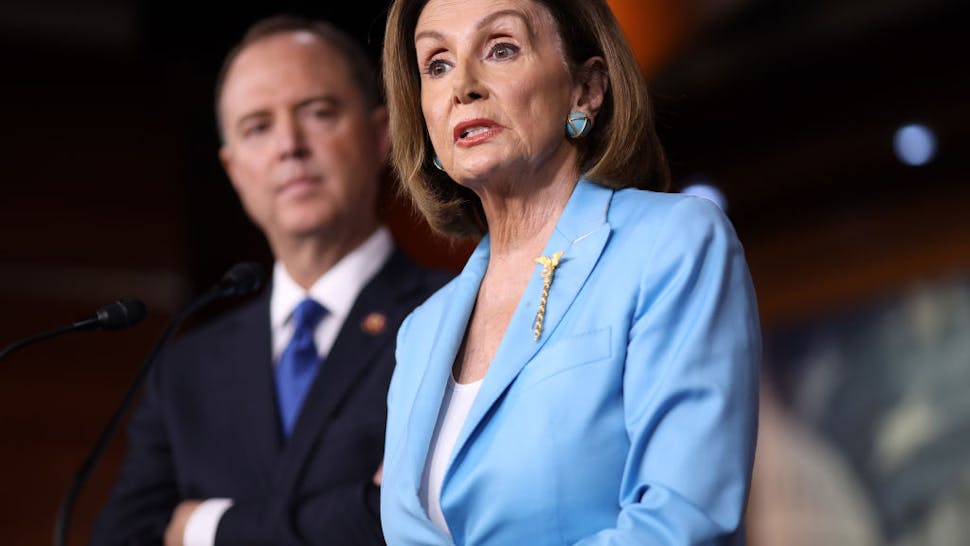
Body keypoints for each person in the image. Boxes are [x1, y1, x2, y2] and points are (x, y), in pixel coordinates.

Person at [378, 0, 761, 544]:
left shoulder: (671, 243)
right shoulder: (419, 334)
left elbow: (681, 522)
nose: (462, 85)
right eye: (437, 64)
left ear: (587, 89)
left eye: (501, 49)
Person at [92, 15, 448, 546]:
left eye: (318, 113)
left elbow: (409, 519)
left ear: (381, 136)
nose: (289, 145)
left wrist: (204, 527)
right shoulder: (185, 368)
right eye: (258, 127)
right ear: (234, 171)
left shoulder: (452, 315)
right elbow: (124, 537)